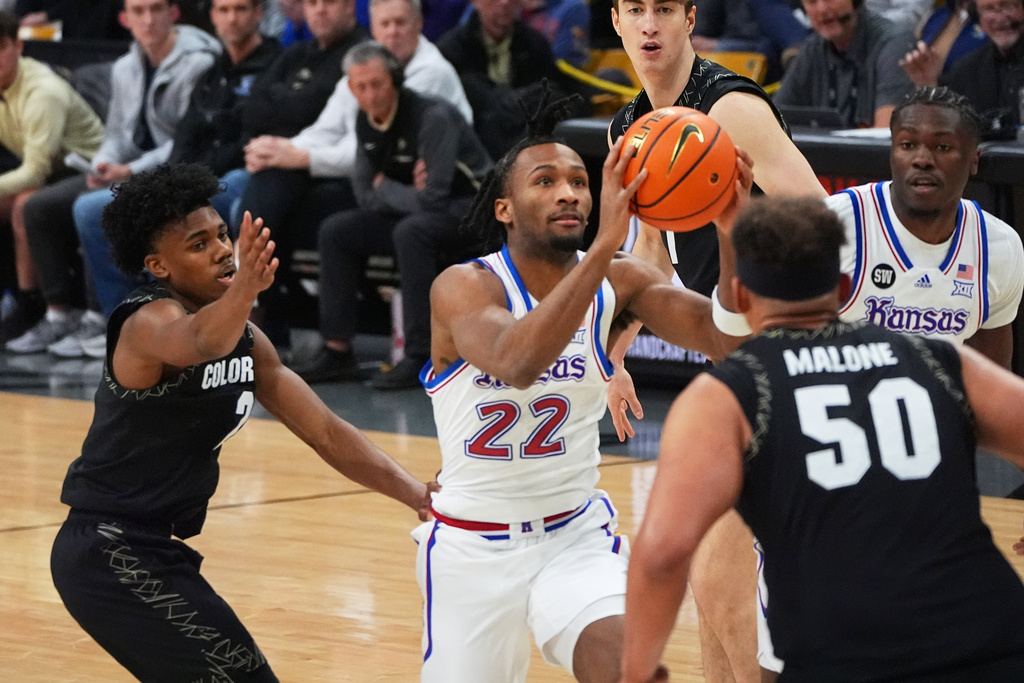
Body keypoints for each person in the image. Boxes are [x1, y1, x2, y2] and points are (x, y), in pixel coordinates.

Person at [415, 89, 752, 681]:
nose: (569, 192)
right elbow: (514, 361)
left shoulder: (619, 282)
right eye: (545, 181)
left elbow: (727, 341)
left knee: (633, 671)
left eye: (578, 180)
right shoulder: (464, 288)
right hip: (472, 549)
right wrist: (601, 248)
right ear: (504, 209)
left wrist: (730, 234)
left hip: (573, 540)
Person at [48, 163, 434, 682]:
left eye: (223, 235)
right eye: (198, 244)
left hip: (153, 549)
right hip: (107, 551)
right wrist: (245, 289)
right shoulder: (146, 322)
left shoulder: (248, 342)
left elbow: (325, 430)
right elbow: (199, 342)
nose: (222, 249)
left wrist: (416, 494)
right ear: (158, 265)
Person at [620, 195, 1024, 683]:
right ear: (843, 287)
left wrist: (637, 669)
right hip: (983, 639)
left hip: (843, 650)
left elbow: (662, 554)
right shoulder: (939, 360)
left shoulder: (732, 393)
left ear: (740, 296)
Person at [699, 85, 1024, 680]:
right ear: (891, 153)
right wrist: (732, 231)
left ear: (974, 159)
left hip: (918, 498)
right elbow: (739, 333)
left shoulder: (999, 250)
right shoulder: (839, 228)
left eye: (942, 146)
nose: (921, 158)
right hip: (818, 484)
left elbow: (994, 390)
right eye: (907, 145)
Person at [608, 1, 826, 678]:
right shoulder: (628, 123)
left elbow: (821, 217)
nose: (650, 25)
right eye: (636, 9)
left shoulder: (730, 109)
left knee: (720, 580)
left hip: (788, 355)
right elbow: (652, 260)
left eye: (664, 8)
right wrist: (610, 354)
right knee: (713, 592)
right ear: (614, 20)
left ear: (689, 18)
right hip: (731, 361)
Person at [238, 0, 471, 331]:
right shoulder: (367, 65)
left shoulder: (431, 74)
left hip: (445, 199)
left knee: (312, 208)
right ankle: (319, 337)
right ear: (372, 29)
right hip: (387, 190)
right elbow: (328, 130)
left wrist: (301, 157)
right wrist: (279, 150)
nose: (392, 32)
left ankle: (258, 308)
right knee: (279, 185)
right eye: (384, 24)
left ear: (419, 23)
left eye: (400, 23)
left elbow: (370, 152)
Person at [7, 0, 220, 359]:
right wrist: (104, 163)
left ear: (174, 13)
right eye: (138, 11)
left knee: (93, 207)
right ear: (125, 19)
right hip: (128, 170)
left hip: (175, 170)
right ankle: (60, 311)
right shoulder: (124, 66)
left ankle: (104, 313)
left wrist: (130, 172)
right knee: (38, 207)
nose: (148, 20)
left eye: (155, 10)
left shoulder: (199, 64)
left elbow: (184, 141)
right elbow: (117, 134)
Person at [290, 41, 491, 388]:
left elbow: (435, 198)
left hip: (471, 209)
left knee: (411, 232)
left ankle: (419, 356)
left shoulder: (432, 118)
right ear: (351, 89)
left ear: (395, 80)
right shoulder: (363, 121)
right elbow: (364, 195)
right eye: (361, 87)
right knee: (337, 229)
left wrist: (386, 189)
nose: (371, 95)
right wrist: (395, 192)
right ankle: (337, 350)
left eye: (378, 84)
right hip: (416, 213)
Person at [0, 9, 104, 344]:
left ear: (18, 45)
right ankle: (13, 297)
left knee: (24, 205)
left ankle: (37, 307)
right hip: (51, 172)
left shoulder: (42, 91)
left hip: (88, 169)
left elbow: (35, 172)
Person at [168, 0, 283, 224]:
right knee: (90, 209)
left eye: (240, 9)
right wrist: (172, 178)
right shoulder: (211, 73)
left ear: (258, 13)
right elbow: (185, 133)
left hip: (250, 174)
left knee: (190, 205)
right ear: (213, 16)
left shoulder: (279, 66)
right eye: (224, 10)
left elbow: (254, 138)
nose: (232, 18)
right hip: (202, 174)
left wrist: (195, 178)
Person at [437, 0, 582, 159]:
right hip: (474, 150)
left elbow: (554, 94)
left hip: (530, 145)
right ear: (476, 2)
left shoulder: (535, 44)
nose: (504, 2)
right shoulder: (452, 50)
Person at [773, 0, 917, 128]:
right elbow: (773, 120)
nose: (822, 9)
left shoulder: (893, 44)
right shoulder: (812, 49)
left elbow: (886, 134)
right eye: (812, 2)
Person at [900, 0, 1024, 134]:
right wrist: (929, 84)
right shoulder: (968, 68)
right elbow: (945, 129)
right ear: (979, 17)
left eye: (1008, 6)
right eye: (989, 9)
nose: (999, 18)